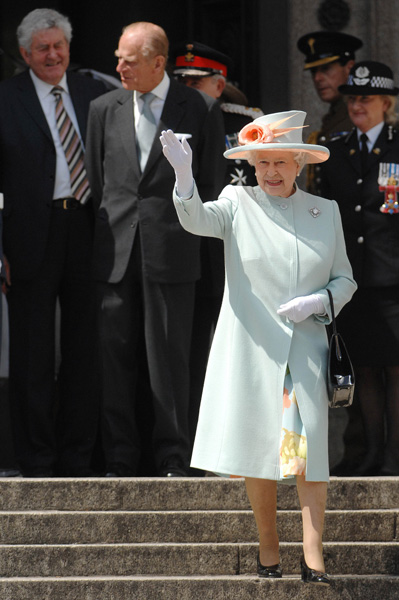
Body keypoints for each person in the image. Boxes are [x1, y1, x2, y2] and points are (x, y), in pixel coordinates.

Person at [160, 110, 356, 583]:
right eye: (261, 162)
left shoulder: (324, 210)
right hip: (254, 352)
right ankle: (269, 545)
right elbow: (196, 221)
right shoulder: (236, 200)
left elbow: (346, 279)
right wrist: (183, 177)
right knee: (261, 452)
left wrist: (319, 300)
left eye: (280, 163)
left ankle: (314, 556)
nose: (269, 172)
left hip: (305, 352)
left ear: (299, 164)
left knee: (309, 456)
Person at [85, 22, 225, 477]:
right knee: (115, 360)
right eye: (118, 56)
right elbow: (100, 181)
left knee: (170, 360)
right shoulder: (103, 108)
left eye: (129, 59)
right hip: (116, 252)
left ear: (158, 63)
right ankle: (121, 457)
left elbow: (209, 185)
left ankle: (173, 456)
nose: (119, 66)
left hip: (174, 250)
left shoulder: (199, 107)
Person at [0, 8, 106, 477]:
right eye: (42, 48)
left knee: (87, 350)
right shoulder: (6, 98)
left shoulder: (95, 93)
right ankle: (37, 459)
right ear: (25, 55)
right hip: (27, 236)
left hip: (88, 229)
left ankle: (79, 457)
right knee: (32, 355)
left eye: (58, 45)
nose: (52, 54)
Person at [172, 41, 263, 447]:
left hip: (236, 248)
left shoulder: (247, 123)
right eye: (182, 81)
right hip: (187, 243)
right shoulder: (168, 116)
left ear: (219, 83)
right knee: (189, 344)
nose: (187, 88)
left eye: (196, 81)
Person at [320, 61, 399, 476]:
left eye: (366, 98)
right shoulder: (334, 148)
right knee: (364, 368)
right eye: (352, 98)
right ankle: (371, 451)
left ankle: (394, 455)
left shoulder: (397, 145)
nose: (357, 105)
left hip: (394, 279)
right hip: (353, 279)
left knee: (395, 370)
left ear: (385, 103)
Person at [297, 31, 362, 194]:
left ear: (349, 68)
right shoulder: (333, 118)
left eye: (326, 69)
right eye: (313, 71)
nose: (317, 78)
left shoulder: (361, 117)